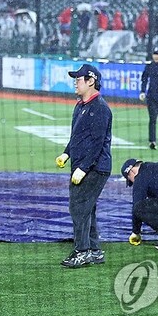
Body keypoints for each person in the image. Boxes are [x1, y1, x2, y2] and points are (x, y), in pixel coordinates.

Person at [54, 64, 112, 268]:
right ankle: (94, 250)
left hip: (95, 168)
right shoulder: (80, 106)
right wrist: (66, 153)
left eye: (78, 79)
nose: (75, 83)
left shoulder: (100, 108)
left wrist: (84, 168)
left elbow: (97, 143)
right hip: (83, 166)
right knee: (87, 209)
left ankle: (82, 251)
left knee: (78, 207)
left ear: (91, 81)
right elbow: (77, 137)